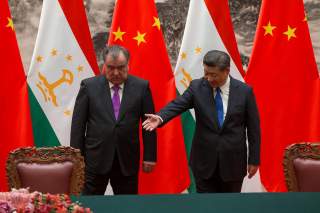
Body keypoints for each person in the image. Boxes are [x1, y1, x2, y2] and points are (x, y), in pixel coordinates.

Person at [143, 50, 260, 193]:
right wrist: (160, 117)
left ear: (227, 71)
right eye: (206, 73)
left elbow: (254, 129)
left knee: (230, 206)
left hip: (233, 164)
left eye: (213, 74)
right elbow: (178, 104)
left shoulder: (244, 91)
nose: (208, 78)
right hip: (204, 162)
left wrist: (254, 159)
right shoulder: (197, 87)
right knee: (205, 206)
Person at [71, 45, 157, 195]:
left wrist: (150, 156)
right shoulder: (89, 86)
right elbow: (78, 126)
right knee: (89, 204)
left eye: (121, 67)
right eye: (110, 68)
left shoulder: (141, 87)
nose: (116, 72)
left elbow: (149, 124)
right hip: (95, 160)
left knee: (127, 206)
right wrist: (77, 158)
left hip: (127, 159)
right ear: (104, 65)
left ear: (128, 65)